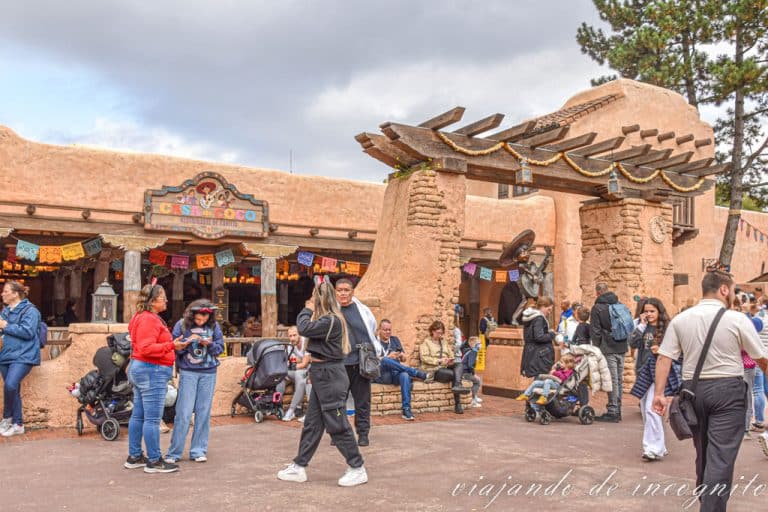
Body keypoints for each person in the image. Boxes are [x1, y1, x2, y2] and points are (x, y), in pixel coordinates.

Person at [653, 270, 768, 511]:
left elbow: (664, 358)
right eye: (733, 290)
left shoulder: (682, 319)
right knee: (721, 457)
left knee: (703, 452)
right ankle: (711, 507)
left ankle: (706, 499)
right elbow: (761, 358)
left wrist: (659, 394)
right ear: (724, 289)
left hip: (693, 392)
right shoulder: (736, 319)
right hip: (728, 391)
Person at [277, 279, 368, 487]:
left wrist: (307, 309)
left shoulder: (332, 321)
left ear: (320, 299)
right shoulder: (327, 319)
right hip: (321, 373)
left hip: (330, 376)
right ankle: (299, 466)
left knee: (337, 423)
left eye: (313, 297)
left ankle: (357, 467)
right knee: (312, 423)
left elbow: (303, 327)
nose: (310, 300)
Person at [124, 283, 186, 474]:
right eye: (163, 297)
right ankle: (154, 460)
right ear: (153, 301)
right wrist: (171, 346)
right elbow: (146, 348)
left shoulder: (140, 317)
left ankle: (134, 456)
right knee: (152, 419)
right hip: (152, 371)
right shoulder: (150, 320)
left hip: (142, 369)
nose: (166, 300)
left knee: (139, 415)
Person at [164, 300, 224, 464]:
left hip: (209, 372)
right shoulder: (181, 325)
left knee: (203, 413)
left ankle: (198, 450)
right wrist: (186, 343)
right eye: (197, 319)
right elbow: (174, 346)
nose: (201, 322)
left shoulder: (214, 326)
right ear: (192, 315)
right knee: (183, 412)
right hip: (188, 372)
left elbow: (220, 348)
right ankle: (174, 453)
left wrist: (209, 343)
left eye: (204, 319)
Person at [628, 297, 680, 461]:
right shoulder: (642, 327)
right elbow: (633, 342)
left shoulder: (667, 328)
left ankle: (652, 448)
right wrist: (641, 325)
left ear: (659, 311)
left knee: (652, 409)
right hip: (643, 372)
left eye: (652, 311)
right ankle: (660, 445)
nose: (649, 314)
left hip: (657, 372)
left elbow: (676, 350)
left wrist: (661, 350)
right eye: (646, 311)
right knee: (645, 409)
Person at [335, 278, 381, 447]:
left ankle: (363, 433)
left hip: (360, 363)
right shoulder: (332, 311)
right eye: (339, 290)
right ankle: (338, 434)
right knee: (338, 402)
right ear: (335, 292)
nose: (343, 293)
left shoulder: (363, 310)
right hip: (340, 364)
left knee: (362, 402)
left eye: (346, 290)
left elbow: (372, 329)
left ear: (352, 291)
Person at [0, 280, 42, 437]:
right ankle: (17, 423)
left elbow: (28, 332)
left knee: (10, 385)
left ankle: (8, 418)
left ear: (15, 294)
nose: (2, 294)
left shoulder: (30, 311)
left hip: (24, 355)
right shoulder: (5, 311)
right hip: (5, 355)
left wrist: (5, 326)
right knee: (12, 388)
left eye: (5, 291)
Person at [374, 319, 432, 421]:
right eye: (385, 330)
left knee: (404, 375)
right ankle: (416, 373)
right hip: (383, 374)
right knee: (386, 360)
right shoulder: (374, 341)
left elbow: (404, 358)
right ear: (379, 329)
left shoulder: (395, 339)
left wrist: (401, 356)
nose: (388, 332)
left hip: (395, 373)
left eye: (389, 330)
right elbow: (372, 360)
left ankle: (406, 409)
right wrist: (387, 356)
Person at [590, 282, 631, 422]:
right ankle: (617, 409)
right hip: (622, 346)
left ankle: (613, 411)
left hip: (608, 347)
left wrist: (596, 348)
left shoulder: (597, 308)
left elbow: (595, 331)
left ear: (597, 293)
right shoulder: (618, 304)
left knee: (611, 379)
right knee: (618, 379)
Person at [419, 320, 465, 414]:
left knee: (459, 364)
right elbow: (424, 358)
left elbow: (451, 354)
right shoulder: (426, 343)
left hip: (445, 365)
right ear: (432, 331)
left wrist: (450, 359)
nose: (440, 335)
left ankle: (457, 386)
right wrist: (439, 361)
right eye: (438, 333)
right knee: (454, 375)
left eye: (441, 333)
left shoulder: (444, 342)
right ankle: (458, 403)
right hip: (434, 369)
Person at [276, 326, 311, 422]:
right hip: (299, 371)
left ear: (300, 334)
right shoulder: (291, 346)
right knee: (281, 373)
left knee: (300, 375)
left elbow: (304, 364)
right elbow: (292, 362)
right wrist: (296, 363)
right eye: (290, 336)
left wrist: (296, 364)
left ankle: (292, 410)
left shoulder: (306, 343)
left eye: (294, 335)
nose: (292, 338)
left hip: (309, 372)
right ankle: (278, 404)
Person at [520, 297, 556, 380]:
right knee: (540, 381)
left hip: (533, 353)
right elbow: (539, 337)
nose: (549, 313)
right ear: (543, 306)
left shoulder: (532, 317)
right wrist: (551, 334)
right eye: (549, 309)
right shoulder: (539, 318)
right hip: (539, 355)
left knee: (538, 381)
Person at [461, 336, 483, 408]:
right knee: (477, 381)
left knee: (476, 380)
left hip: (464, 372)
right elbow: (470, 365)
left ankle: (474, 396)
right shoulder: (473, 352)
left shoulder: (470, 350)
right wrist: (473, 374)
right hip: (465, 373)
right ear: (475, 345)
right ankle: (473, 400)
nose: (481, 345)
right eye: (479, 343)